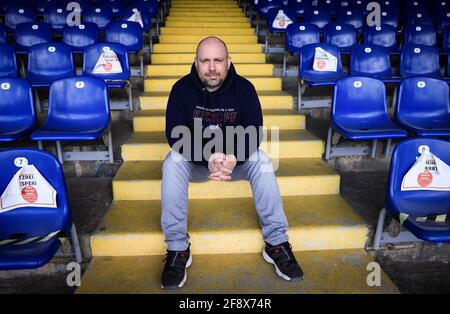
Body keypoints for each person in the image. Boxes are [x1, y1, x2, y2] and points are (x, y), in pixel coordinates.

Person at [160, 36, 304, 289]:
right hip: (198, 162)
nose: (212, 67)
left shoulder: (244, 89)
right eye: (205, 61)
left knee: (261, 160)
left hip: (234, 161)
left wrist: (234, 156)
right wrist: (207, 156)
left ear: (228, 62)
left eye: (218, 60)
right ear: (196, 63)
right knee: (172, 162)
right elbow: (174, 133)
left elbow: (254, 131)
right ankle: (177, 248)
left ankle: (276, 243)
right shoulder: (181, 89)